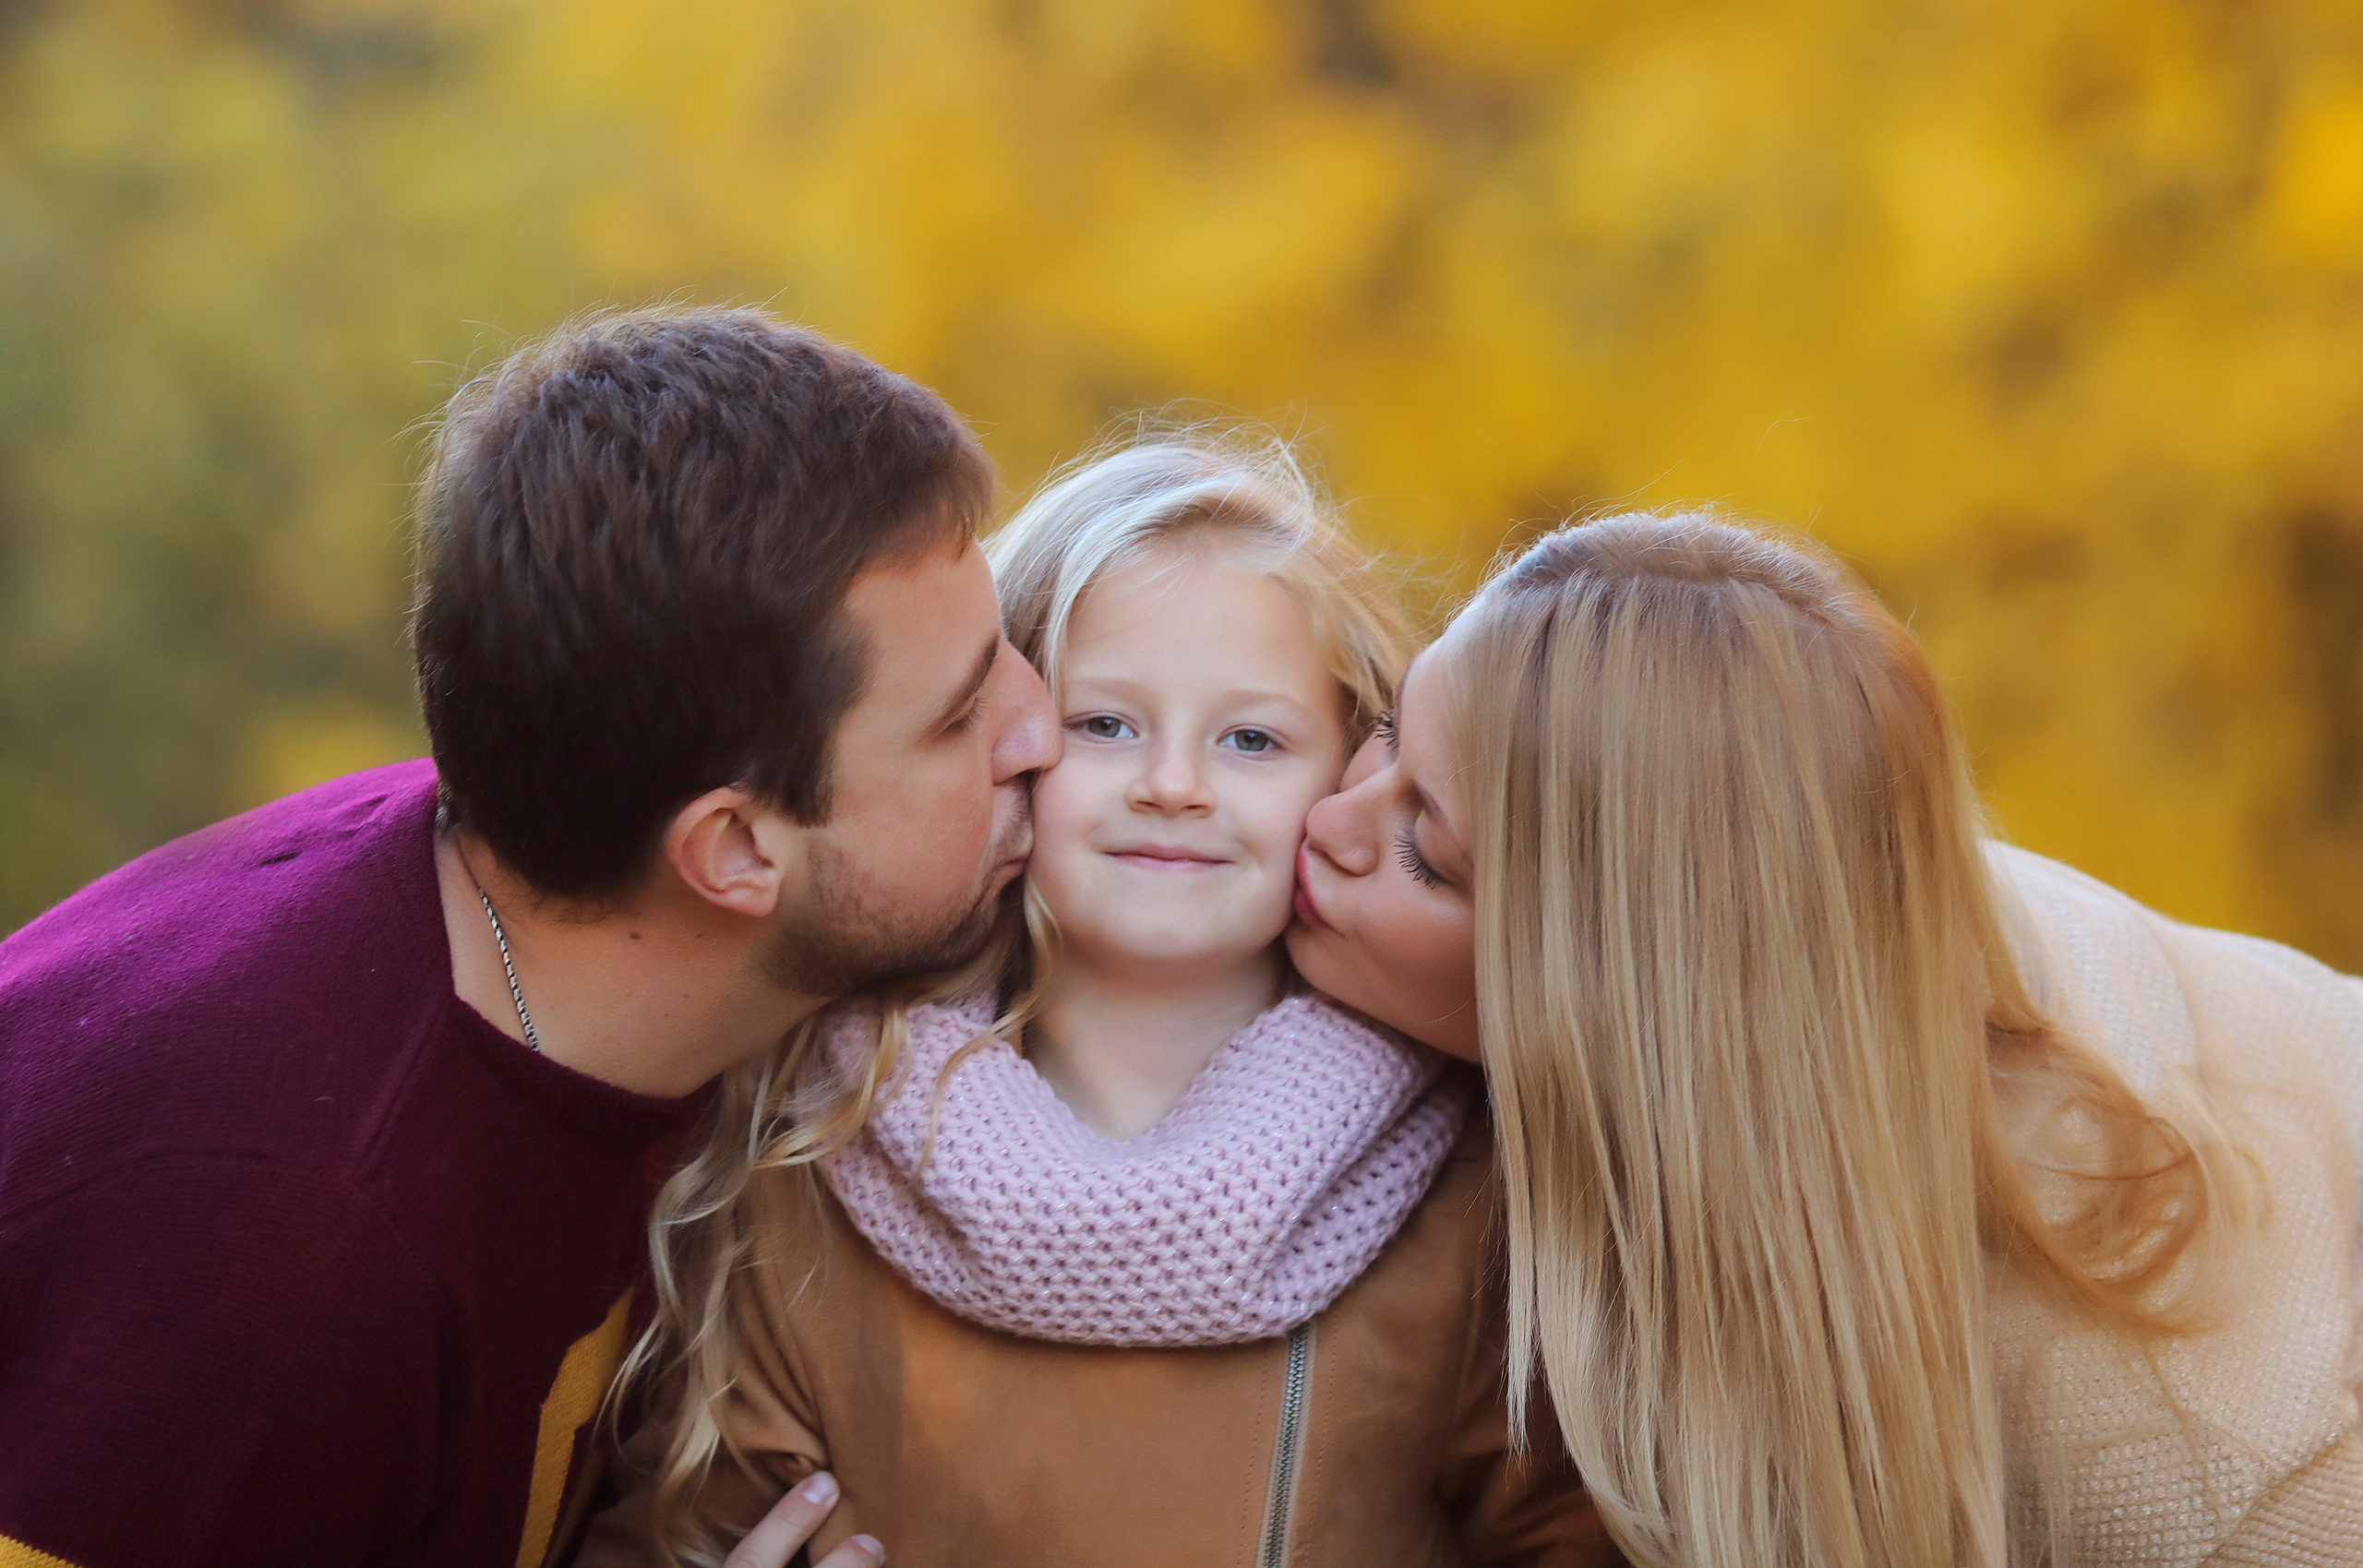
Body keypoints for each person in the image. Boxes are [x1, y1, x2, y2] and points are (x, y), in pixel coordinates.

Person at [0, 305, 1059, 1568]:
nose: (1041, 725)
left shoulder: (565, 895)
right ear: (732, 852)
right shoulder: (283, 1263)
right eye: (958, 717)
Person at [581, 437, 1625, 1568]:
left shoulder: (1471, 1191)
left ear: (1345, 773)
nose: (1171, 784)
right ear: (1007, 739)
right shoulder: (815, 1142)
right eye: (1106, 724)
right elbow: (674, 1515)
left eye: (1250, 739)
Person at [1289, 508, 2363, 1568]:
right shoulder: (1805, 896)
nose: (1326, 824)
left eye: (1424, 853)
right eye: (1384, 733)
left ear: (1628, 998)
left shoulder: (2154, 1434)